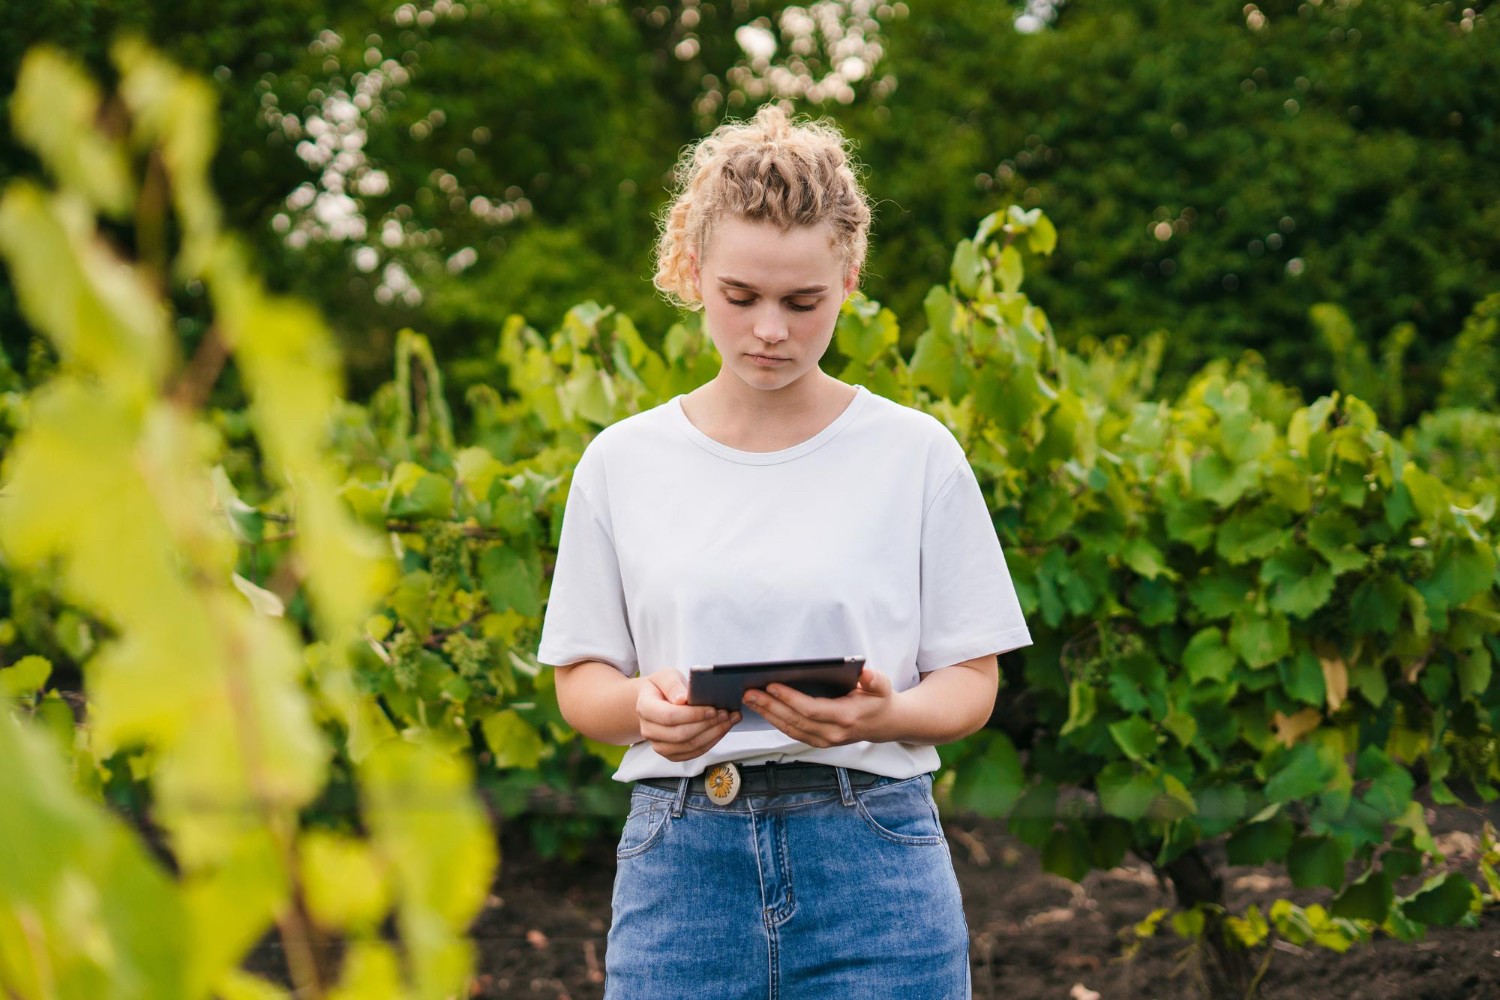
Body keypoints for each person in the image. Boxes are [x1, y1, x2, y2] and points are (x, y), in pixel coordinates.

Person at [536, 103, 1031, 999]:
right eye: (742, 297)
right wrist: (644, 708)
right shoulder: (622, 462)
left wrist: (881, 716)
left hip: (876, 869)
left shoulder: (915, 455)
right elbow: (582, 684)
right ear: (693, 272)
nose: (771, 330)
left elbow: (971, 681)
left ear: (848, 281)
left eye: (803, 303)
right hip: (681, 870)